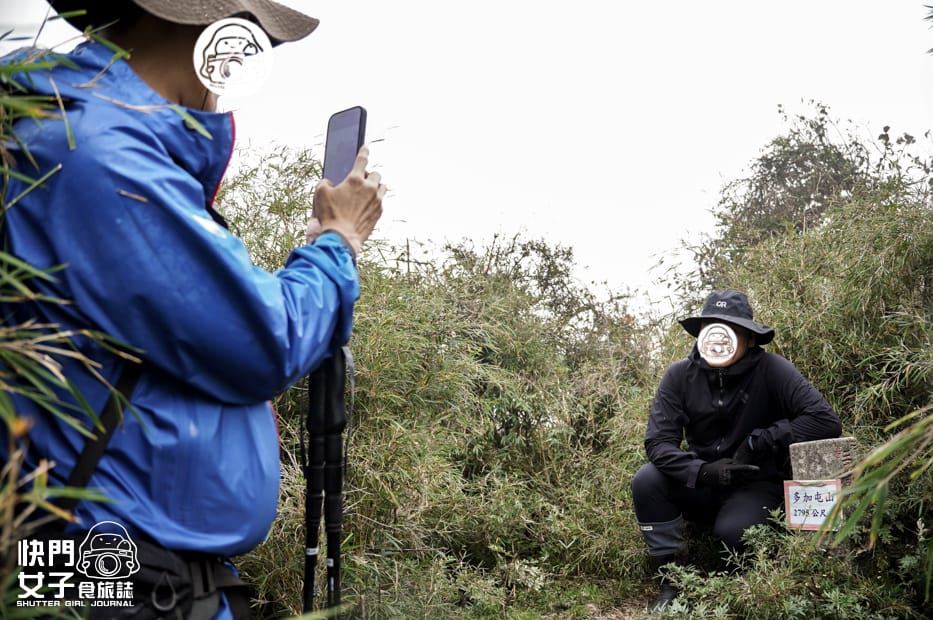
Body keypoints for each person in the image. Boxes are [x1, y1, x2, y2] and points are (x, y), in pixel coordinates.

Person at [0, 1, 384, 618]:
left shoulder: (62, 124)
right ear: (219, 36)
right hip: (121, 574)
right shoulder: (103, 154)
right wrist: (338, 243)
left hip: (101, 566)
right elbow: (266, 339)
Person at [631, 289, 842, 612]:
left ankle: (736, 586)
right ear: (702, 334)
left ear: (748, 338)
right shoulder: (679, 375)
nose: (719, 339)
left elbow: (824, 421)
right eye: (711, 327)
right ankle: (671, 579)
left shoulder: (772, 370)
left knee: (734, 532)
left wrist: (762, 440)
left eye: (729, 329)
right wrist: (700, 470)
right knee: (647, 480)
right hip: (701, 482)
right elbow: (657, 443)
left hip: (755, 485)